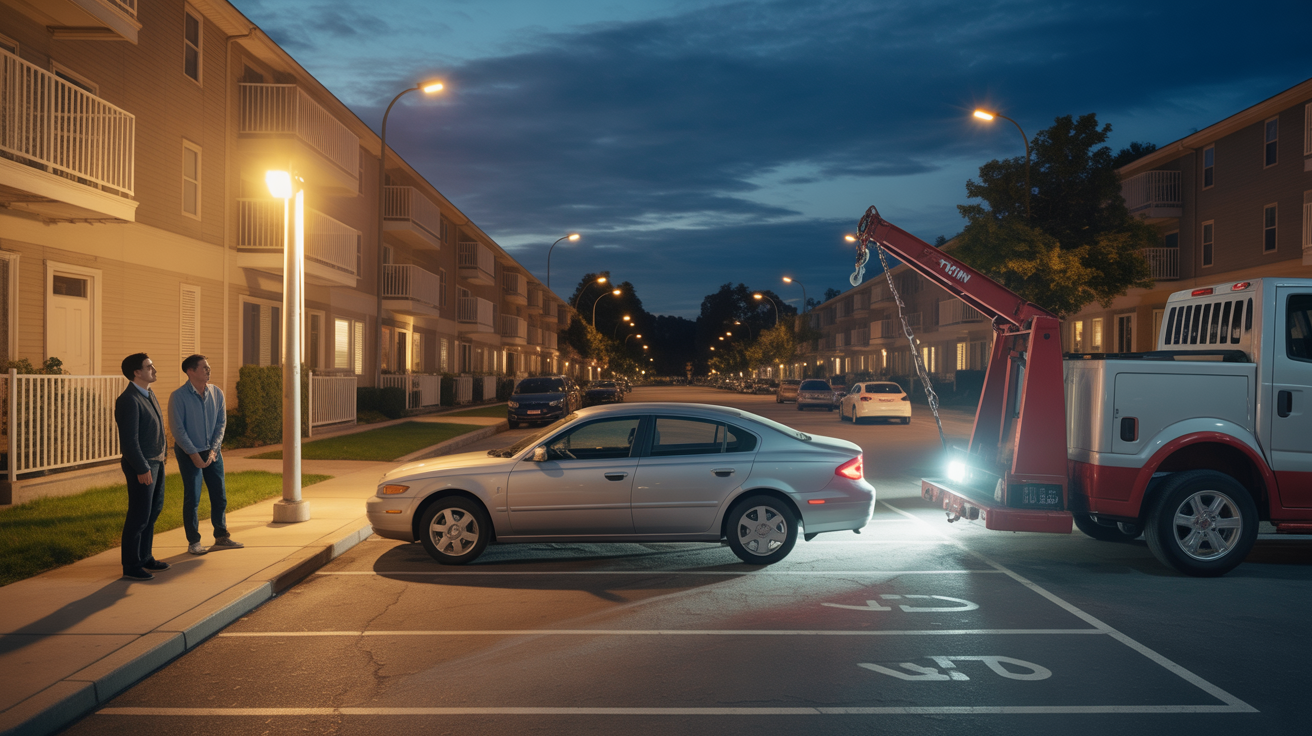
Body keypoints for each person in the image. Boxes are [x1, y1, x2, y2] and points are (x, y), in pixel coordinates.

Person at [169, 354, 242, 555]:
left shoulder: (217, 393)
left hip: (212, 451)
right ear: (190, 371)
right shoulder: (178, 396)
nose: (208, 370)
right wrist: (194, 455)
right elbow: (177, 429)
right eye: (204, 368)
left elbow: (221, 424)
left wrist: (213, 451)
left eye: (209, 367)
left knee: (219, 495)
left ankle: (221, 536)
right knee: (192, 497)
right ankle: (194, 542)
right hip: (188, 451)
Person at [115, 353, 170, 581]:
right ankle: (131, 565)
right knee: (139, 516)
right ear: (137, 372)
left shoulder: (148, 394)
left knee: (152, 512)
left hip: (157, 462)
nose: (154, 369)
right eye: (149, 366)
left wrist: (163, 456)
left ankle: (145, 556)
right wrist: (141, 467)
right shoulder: (128, 399)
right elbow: (129, 441)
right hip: (143, 465)